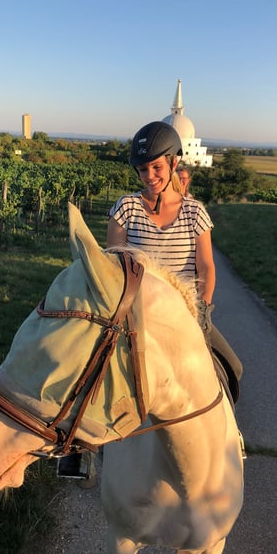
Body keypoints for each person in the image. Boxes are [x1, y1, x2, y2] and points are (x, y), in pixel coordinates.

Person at [107, 121, 242, 399]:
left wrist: (202, 310)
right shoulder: (125, 208)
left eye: (156, 167)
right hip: (137, 315)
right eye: (142, 169)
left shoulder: (195, 212)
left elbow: (206, 267)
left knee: (233, 368)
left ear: (173, 162)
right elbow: (114, 266)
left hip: (185, 313)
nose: (149, 176)